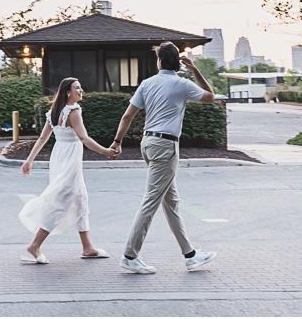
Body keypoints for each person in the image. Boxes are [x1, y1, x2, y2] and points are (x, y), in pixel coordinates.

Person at [109, 41, 218, 274]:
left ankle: (190, 255)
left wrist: (117, 141)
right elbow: (211, 96)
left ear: (159, 61)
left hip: (148, 144)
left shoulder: (147, 84)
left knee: (171, 203)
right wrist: (195, 69)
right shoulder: (182, 84)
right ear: (178, 63)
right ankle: (130, 255)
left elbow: (128, 116)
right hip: (166, 146)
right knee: (151, 201)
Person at [19, 77, 117, 264]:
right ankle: (35, 245)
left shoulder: (53, 112)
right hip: (69, 160)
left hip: (59, 158)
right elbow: (84, 138)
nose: (81, 91)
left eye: (81, 87)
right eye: (77, 88)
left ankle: (87, 247)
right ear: (67, 92)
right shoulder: (73, 111)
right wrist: (105, 151)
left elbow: (42, 139)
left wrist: (29, 160)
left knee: (80, 199)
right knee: (61, 202)